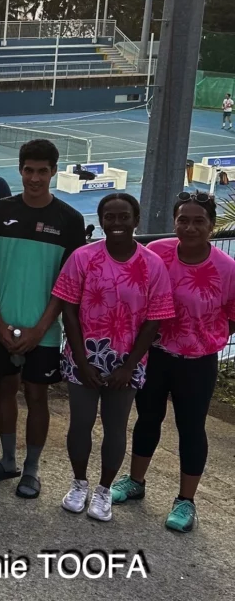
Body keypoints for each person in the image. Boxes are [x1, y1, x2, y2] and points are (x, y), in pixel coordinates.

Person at [113, 192, 235, 532]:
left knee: (191, 428)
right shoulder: (158, 253)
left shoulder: (227, 269)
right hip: (156, 356)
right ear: (174, 222)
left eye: (199, 221)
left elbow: (233, 314)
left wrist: (205, 336)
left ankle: (186, 501)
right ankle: (135, 481)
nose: (190, 227)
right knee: (147, 418)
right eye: (183, 220)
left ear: (211, 226)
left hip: (198, 361)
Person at [0, 139, 86, 500]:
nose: (34, 178)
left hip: (45, 331)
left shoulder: (70, 219)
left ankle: (32, 469)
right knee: (6, 389)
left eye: (42, 171)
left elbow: (66, 283)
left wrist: (41, 328)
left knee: (37, 396)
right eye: (28, 170)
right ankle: (7, 461)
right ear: (20, 170)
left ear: (54, 172)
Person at [53, 193, 173, 523]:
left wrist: (129, 365)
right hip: (84, 358)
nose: (116, 223)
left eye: (124, 217)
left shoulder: (152, 265)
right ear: (102, 220)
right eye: (110, 217)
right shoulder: (82, 257)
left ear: (136, 221)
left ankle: (104, 490)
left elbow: (154, 319)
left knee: (115, 426)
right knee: (80, 423)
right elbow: (69, 308)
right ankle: (79, 484)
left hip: (127, 363)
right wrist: (80, 358)